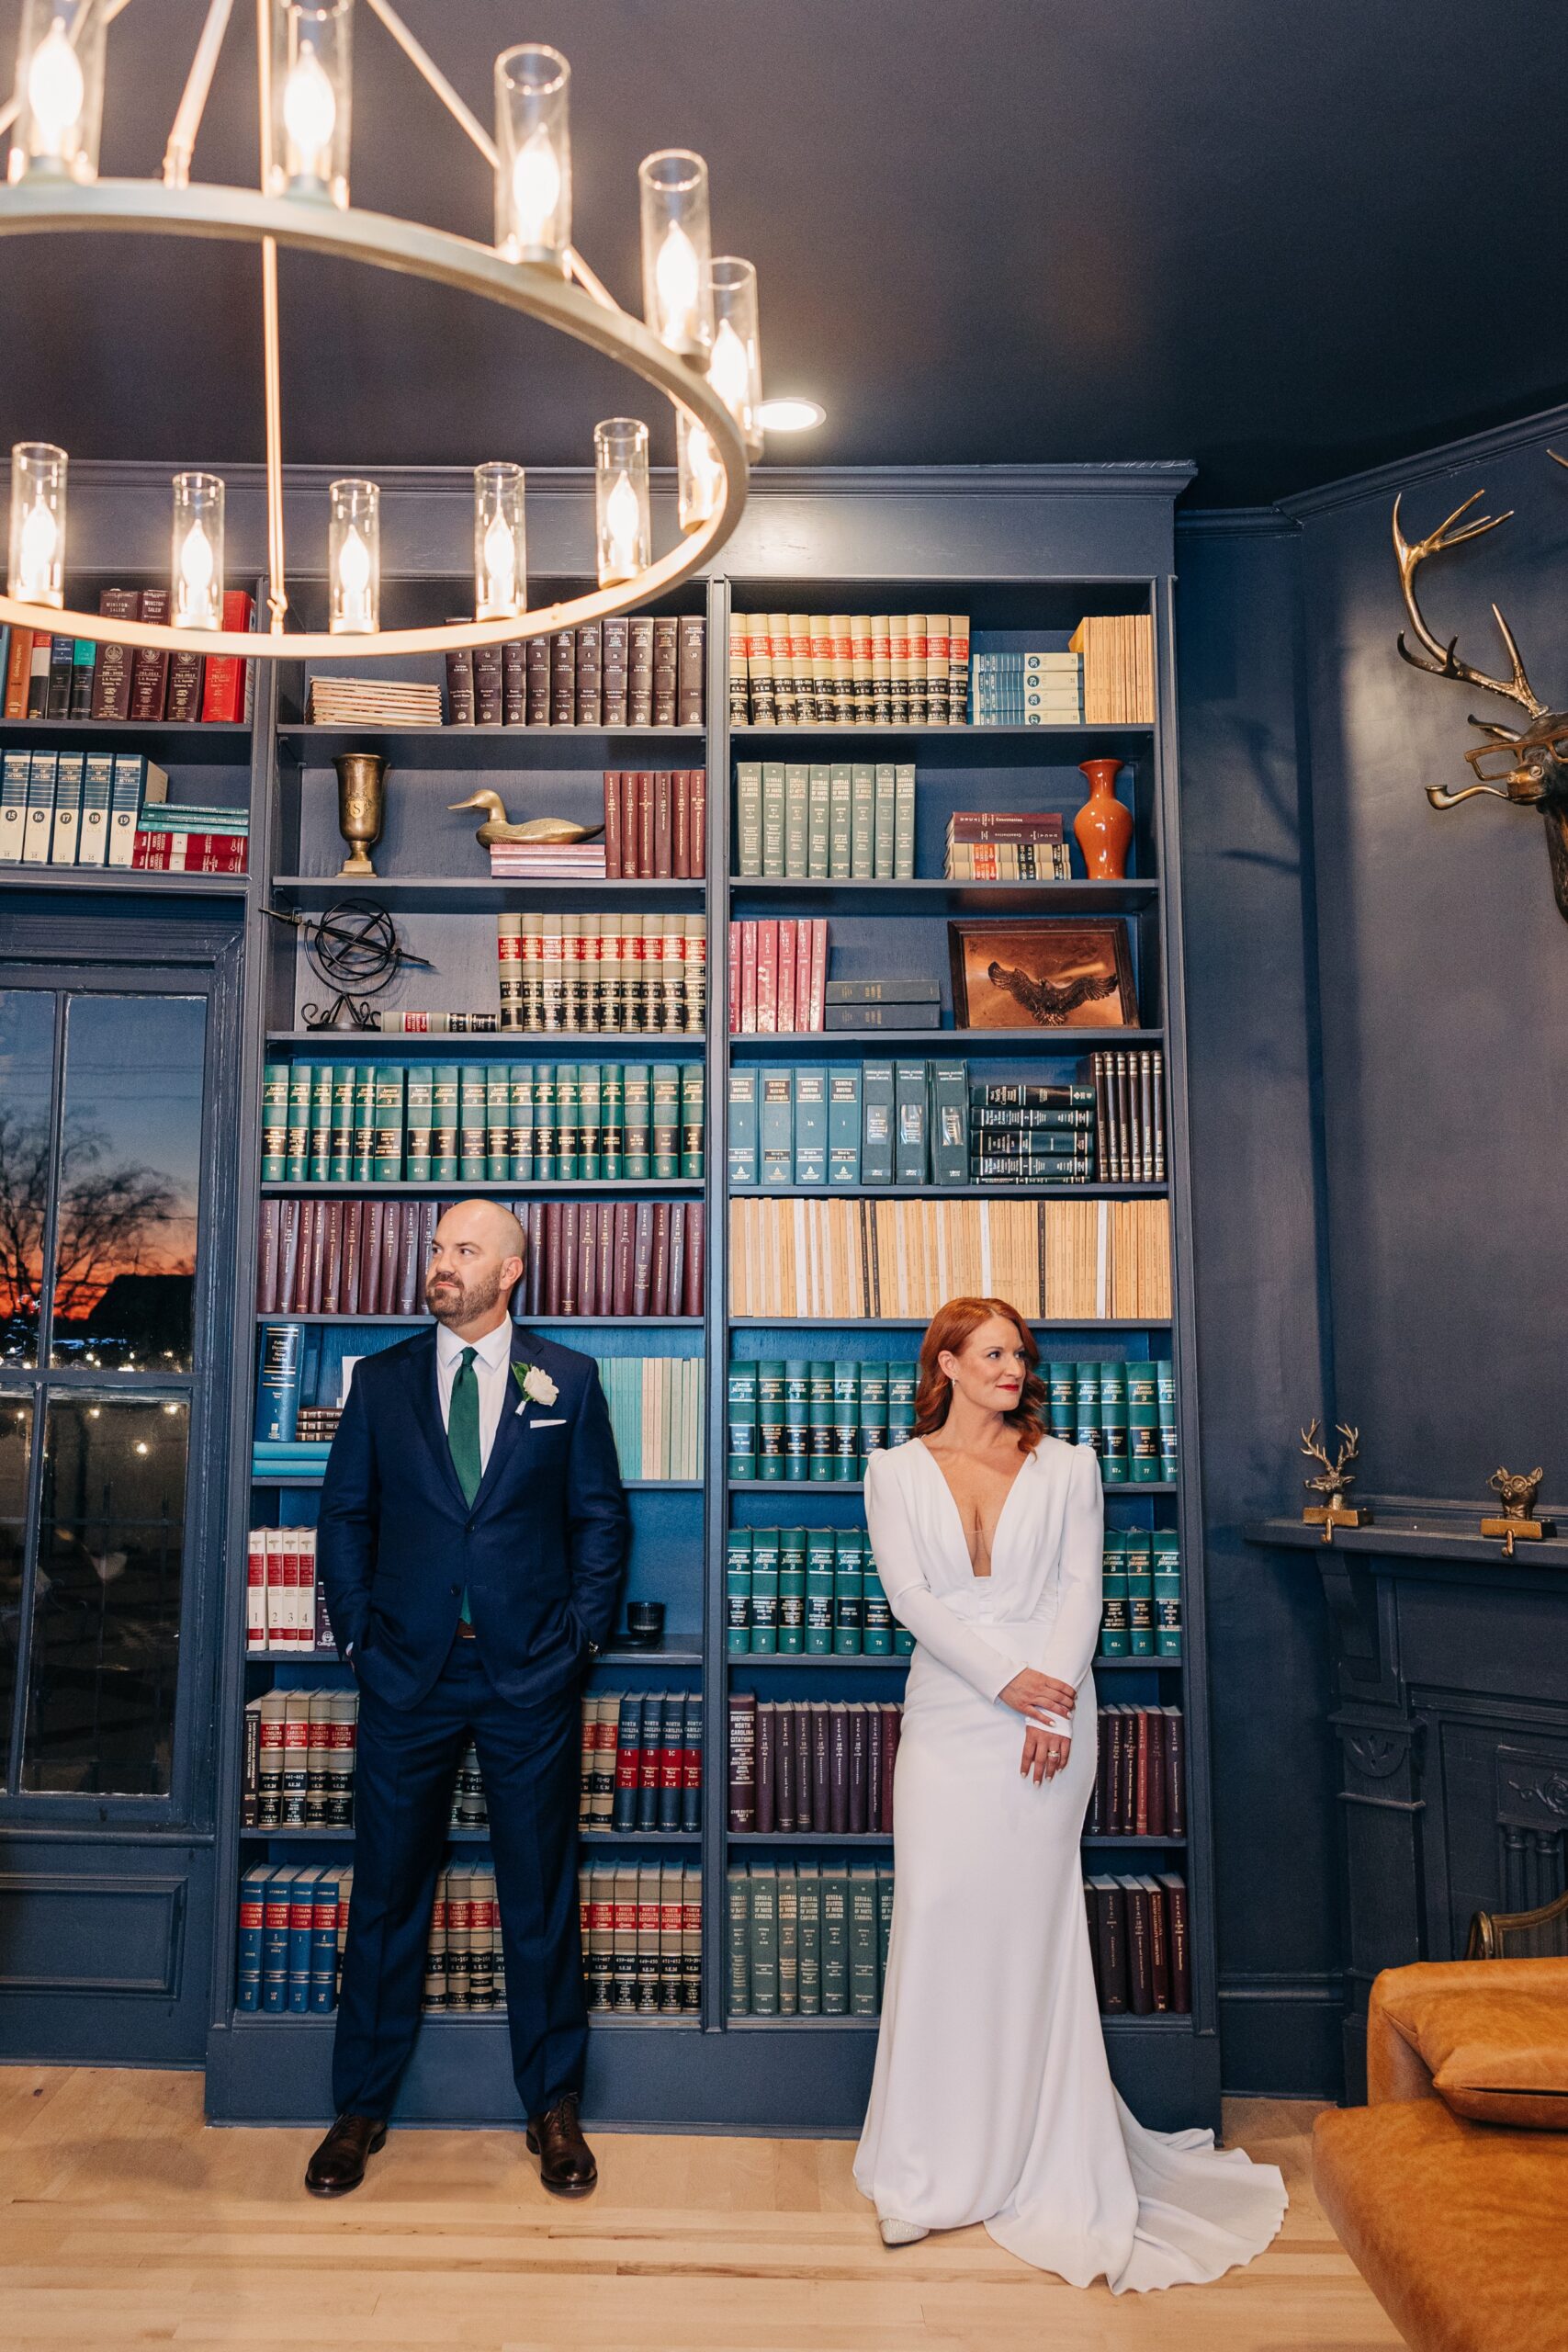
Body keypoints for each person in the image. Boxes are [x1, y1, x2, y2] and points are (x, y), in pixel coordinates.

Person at [853, 1296, 1287, 2290]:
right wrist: (1001, 1681)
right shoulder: (891, 1470)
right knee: (934, 1917)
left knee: (1032, 1933)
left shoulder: (1072, 1466)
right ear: (949, 1364)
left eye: (1022, 1354)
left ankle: (1034, 2157)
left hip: (1052, 1726)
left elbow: (1079, 1594)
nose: (1015, 1367)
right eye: (996, 1353)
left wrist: (1045, 1710)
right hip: (950, 1719)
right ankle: (920, 2174)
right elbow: (910, 1596)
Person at [304, 1198, 628, 2200]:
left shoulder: (567, 1379)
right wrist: (359, 1632)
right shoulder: (383, 1378)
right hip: (406, 1674)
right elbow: (344, 1515)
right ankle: (360, 2107)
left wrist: (575, 1640)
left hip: (530, 1677)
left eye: (464, 1248)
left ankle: (552, 2110)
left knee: (538, 1896)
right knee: (388, 1894)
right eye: (436, 1246)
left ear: (512, 1270)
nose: (441, 1261)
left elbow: (600, 1519)